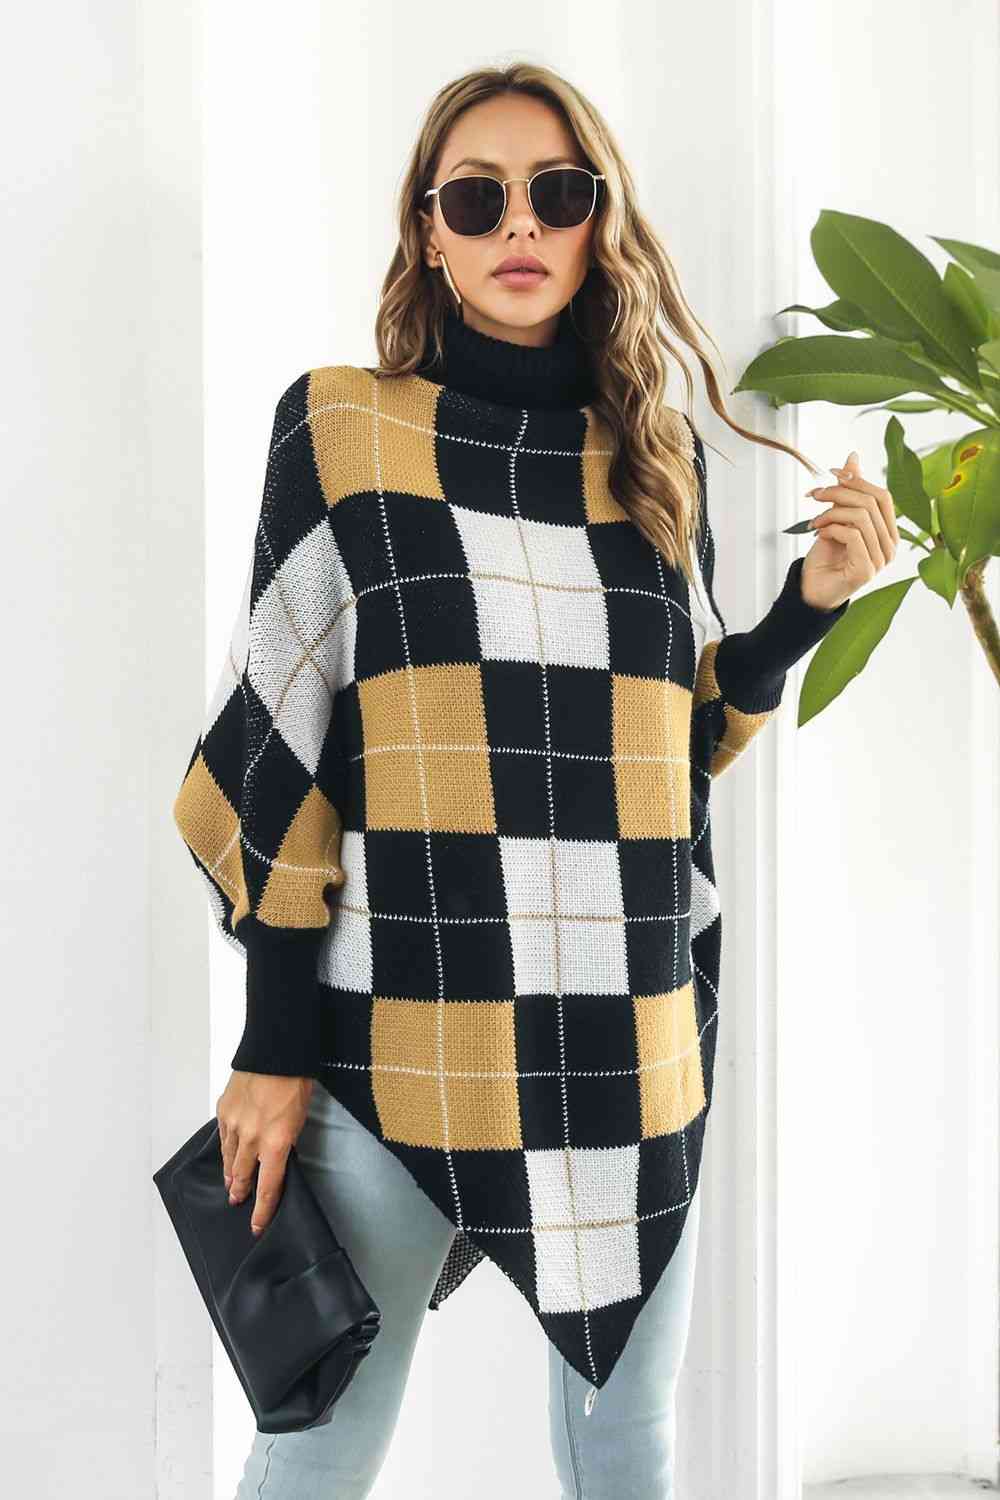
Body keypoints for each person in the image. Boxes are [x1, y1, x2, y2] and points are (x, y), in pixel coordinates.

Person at [172, 62, 897, 1500]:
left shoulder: (654, 458)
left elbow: (675, 746)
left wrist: (807, 608)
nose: (521, 223)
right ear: (427, 230)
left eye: (558, 192)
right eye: (478, 196)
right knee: (318, 1447)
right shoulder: (341, 430)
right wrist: (272, 1044)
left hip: (626, 1039)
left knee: (628, 1449)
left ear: (597, 221)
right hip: (400, 1031)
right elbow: (282, 749)